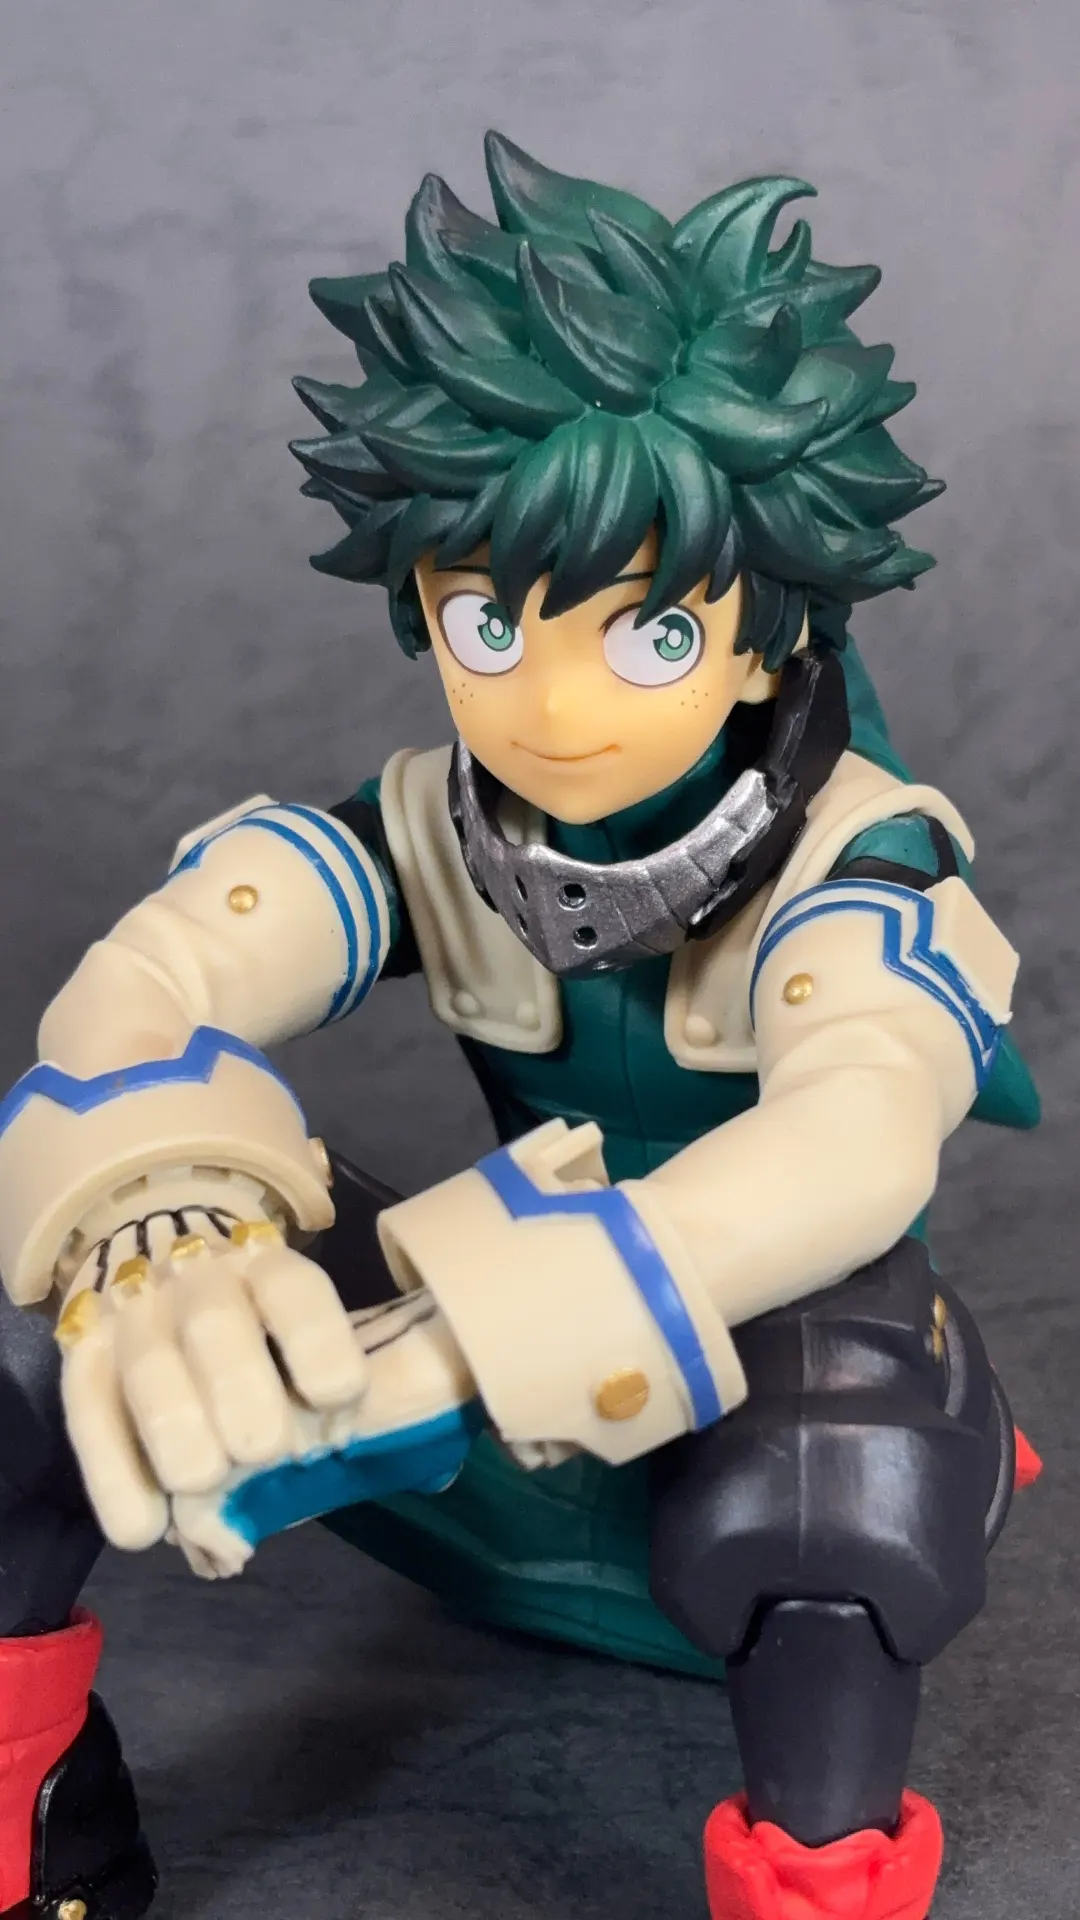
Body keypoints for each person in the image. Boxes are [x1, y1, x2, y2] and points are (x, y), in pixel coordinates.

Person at [0, 134, 1041, 1920]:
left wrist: (467, 1340)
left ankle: (821, 1881)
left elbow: (853, 1138)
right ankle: (36, 1829)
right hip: (482, 1447)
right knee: (45, 1345)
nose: (550, 705)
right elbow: (156, 977)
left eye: (648, 636)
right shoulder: (430, 827)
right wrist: (164, 1223)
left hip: (763, 1434)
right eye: (489, 619)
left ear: (765, 637)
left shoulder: (860, 862)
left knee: (837, 1481)